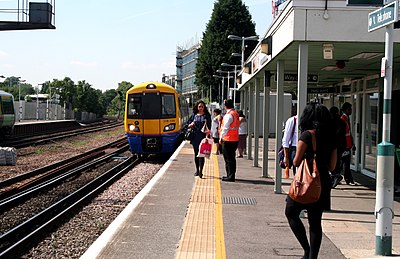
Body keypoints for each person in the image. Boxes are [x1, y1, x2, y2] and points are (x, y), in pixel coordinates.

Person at [285, 103, 337, 259]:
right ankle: (313, 257)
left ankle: (307, 250)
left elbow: (296, 161)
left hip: (306, 182)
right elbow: (332, 166)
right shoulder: (331, 137)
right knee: (315, 222)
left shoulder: (307, 135)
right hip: (323, 183)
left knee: (291, 212)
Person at [186, 100, 211, 178]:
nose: (200, 108)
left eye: (202, 106)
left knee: (202, 154)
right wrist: (191, 124)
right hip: (195, 136)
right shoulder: (194, 115)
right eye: (199, 106)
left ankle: (201, 171)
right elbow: (187, 124)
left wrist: (207, 137)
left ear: (204, 107)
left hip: (203, 136)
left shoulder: (207, 115)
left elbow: (209, 127)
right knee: (196, 154)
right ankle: (197, 170)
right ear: (197, 107)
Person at [219, 99, 240, 182]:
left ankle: (230, 176)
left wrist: (221, 137)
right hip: (235, 139)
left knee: (228, 159)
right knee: (232, 158)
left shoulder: (229, 115)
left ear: (225, 106)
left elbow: (225, 128)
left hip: (228, 139)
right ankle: (231, 175)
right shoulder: (235, 114)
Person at [329, 106, 346, 188]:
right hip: (340, 145)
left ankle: (334, 175)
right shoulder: (342, 122)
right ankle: (336, 174)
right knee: (338, 160)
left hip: (331, 144)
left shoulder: (329, 121)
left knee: (331, 161)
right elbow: (344, 135)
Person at [341, 102, 356, 186]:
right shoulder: (343, 119)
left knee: (345, 163)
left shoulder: (346, 119)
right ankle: (348, 179)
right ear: (345, 110)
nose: (351, 111)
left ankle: (348, 179)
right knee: (345, 163)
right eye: (349, 109)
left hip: (348, 145)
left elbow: (349, 133)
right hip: (345, 145)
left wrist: (352, 144)